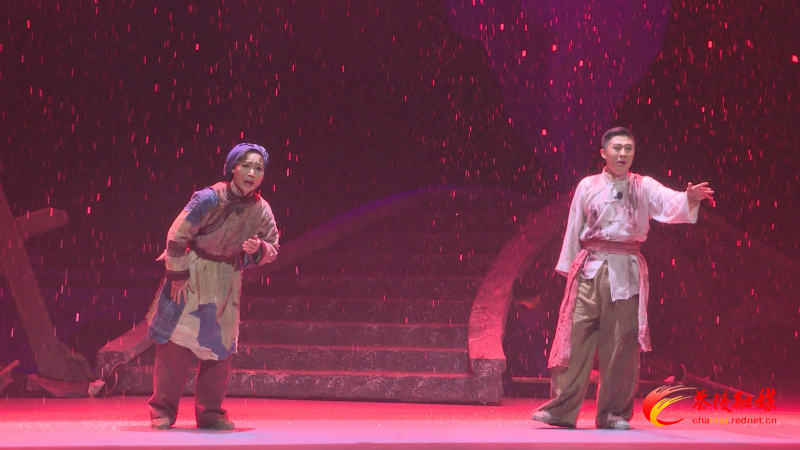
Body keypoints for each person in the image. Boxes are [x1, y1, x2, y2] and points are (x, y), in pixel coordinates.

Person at [531, 127, 713, 430]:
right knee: (574, 339)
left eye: (628, 148)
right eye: (617, 148)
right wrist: (569, 267)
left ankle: (613, 413)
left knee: (622, 343)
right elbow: (574, 226)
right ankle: (561, 409)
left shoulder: (643, 186)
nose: (623, 153)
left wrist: (688, 198)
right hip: (589, 268)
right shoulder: (587, 185)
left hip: (625, 271)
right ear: (604, 153)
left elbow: (669, 202)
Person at [146, 143, 280, 430]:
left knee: (219, 349)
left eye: (258, 168)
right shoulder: (208, 198)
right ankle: (163, 410)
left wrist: (258, 248)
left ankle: (210, 413)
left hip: (226, 278)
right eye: (246, 166)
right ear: (233, 168)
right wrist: (177, 275)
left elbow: (273, 247)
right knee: (174, 345)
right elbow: (177, 234)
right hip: (191, 272)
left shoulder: (261, 209)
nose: (252, 173)